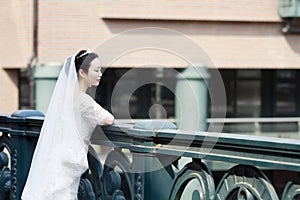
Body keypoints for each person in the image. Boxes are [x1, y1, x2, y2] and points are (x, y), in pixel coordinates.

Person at [21, 50, 114, 199]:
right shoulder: (83, 100)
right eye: (96, 70)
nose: (100, 74)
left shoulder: (65, 97)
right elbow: (108, 119)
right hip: (68, 161)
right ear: (82, 73)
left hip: (59, 156)